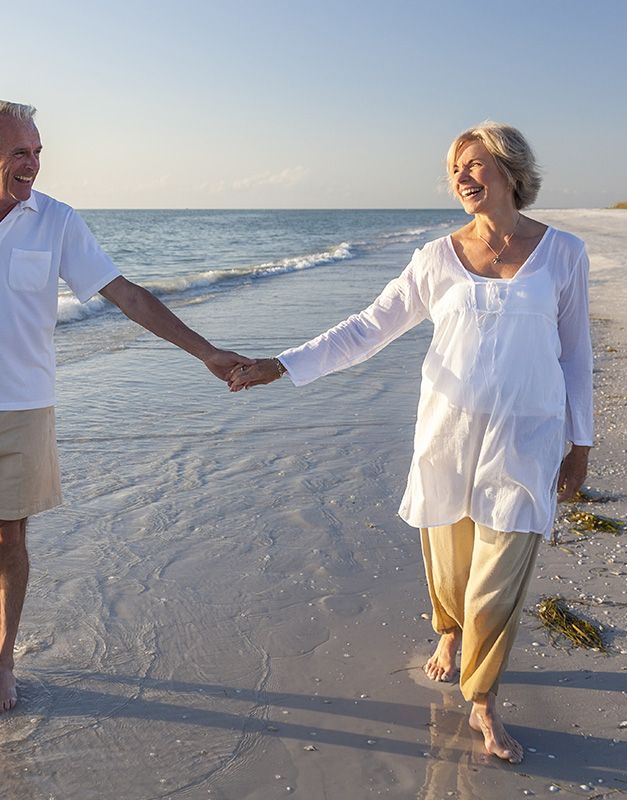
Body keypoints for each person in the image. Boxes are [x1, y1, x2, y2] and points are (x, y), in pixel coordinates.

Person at [0, 101, 250, 719]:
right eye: (21, 154)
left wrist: (203, 352)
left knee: (10, 536)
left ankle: (3, 660)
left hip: (24, 409)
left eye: (38, 152)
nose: (34, 165)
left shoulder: (56, 221)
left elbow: (126, 295)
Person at [228, 121, 592, 764]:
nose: (462, 178)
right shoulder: (434, 258)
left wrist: (580, 440)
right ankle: (447, 633)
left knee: (498, 576)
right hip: (448, 435)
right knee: (450, 568)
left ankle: (482, 701)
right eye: (455, 169)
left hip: (527, 435)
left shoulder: (563, 253)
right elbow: (368, 328)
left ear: (510, 172)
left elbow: (575, 354)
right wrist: (283, 364)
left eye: (475, 165)